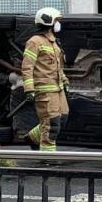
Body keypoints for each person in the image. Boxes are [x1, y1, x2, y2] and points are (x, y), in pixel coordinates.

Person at [22, 8, 70, 152]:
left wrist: (64, 80)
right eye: (56, 21)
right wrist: (29, 89)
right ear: (49, 22)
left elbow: (57, 66)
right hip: (44, 90)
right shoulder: (34, 42)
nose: (58, 24)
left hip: (58, 89)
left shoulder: (53, 42)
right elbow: (27, 67)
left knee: (63, 118)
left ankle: (32, 138)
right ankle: (47, 156)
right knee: (52, 124)